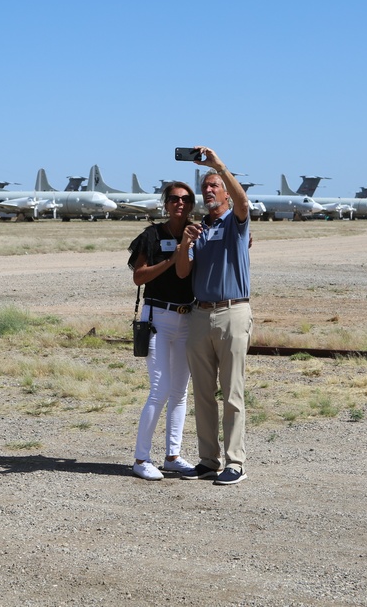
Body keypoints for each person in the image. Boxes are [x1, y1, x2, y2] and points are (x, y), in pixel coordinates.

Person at [175, 147, 252, 485]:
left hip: (232, 312)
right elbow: (181, 273)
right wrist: (184, 244)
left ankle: (235, 462)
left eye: (214, 185)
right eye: (205, 186)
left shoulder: (236, 222)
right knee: (203, 393)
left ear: (225, 191)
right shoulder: (199, 229)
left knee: (232, 391)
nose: (208, 190)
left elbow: (243, 203)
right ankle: (208, 460)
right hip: (200, 315)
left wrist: (219, 165)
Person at [126, 181, 198, 480]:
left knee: (180, 392)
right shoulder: (151, 236)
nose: (179, 203)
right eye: (173, 199)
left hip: (187, 317)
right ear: (165, 204)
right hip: (158, 317)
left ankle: (172, 456)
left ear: (191, 204)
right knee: (160, 390)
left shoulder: (197, 232)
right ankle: (141, 458)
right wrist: (172, 259)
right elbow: (139, 277)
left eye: (185, 199)